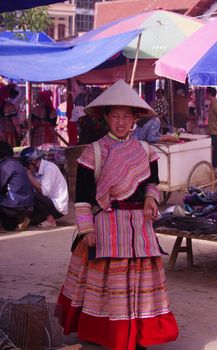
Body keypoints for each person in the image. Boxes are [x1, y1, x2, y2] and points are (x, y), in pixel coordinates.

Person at [57, 80, 178, 350]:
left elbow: (152, 182)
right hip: (107, 227)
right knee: (108, 284)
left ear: (135, 119)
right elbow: (84, 197)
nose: (121, 122)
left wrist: (150, 197)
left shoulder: (145, 151)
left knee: (140, 284)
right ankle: (108, 333)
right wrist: (87, 230)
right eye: (115, 116)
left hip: (140, 227)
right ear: (106, 118)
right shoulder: (94, 152)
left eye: (126, 116)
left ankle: (139, 335)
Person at [20, 147, 69, 228]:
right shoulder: (36, 171)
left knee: (32, 195)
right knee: (32, 219)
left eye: (28, 166)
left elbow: (44, 192)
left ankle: (50, 220)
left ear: (34, 161)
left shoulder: (49, 168)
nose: (27, 168)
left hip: (57, 207)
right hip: (48, 203)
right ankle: (43, 217)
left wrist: (29, 177)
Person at [0, 141, 33, 231]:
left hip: (15, 204)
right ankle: (19, 220)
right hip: (27, 204)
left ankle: (17, 219)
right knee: (9, 225)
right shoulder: (16, 163)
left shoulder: (5, 165)